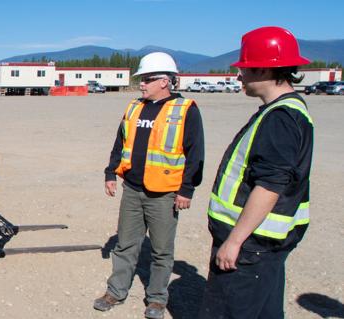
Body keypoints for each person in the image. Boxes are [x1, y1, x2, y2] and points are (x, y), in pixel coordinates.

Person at [199, 26, 313, 319]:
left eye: (245, 69)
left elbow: (269, 186)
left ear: (264, 69)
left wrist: (234, 241)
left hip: (251, 245)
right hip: (262, 246)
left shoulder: (280, 119)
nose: (240, 76)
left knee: (229, 312)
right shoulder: (289, 110)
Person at [95, 52, 205, 319]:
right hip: (133, 189)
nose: (141, 84)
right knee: (125, 244)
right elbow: (120, 143)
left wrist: (186, 189)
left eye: (147, 79)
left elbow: (195, 153)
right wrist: (111, 173)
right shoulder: (134, 107)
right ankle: (116, 291)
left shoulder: (185, 109)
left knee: (161, 250)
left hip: (165, 194)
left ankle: (156, 299)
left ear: (165, 81)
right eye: (142, 79)